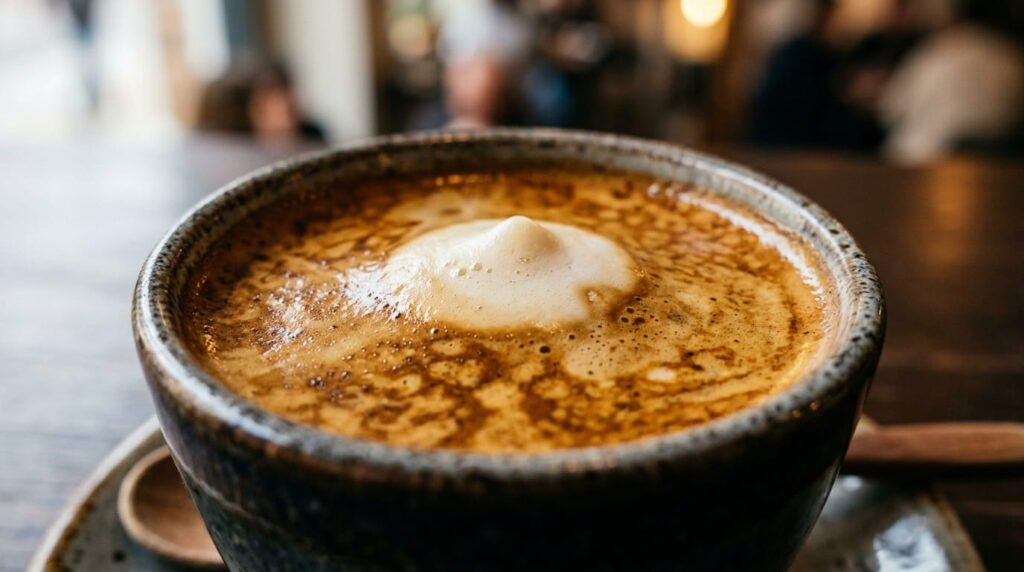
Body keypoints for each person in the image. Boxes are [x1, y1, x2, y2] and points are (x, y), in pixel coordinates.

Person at [196, 58, 326, 143]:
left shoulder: (312, 135)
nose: (284, 118)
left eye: (287, 99)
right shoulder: (235, 149)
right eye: (266, 110)